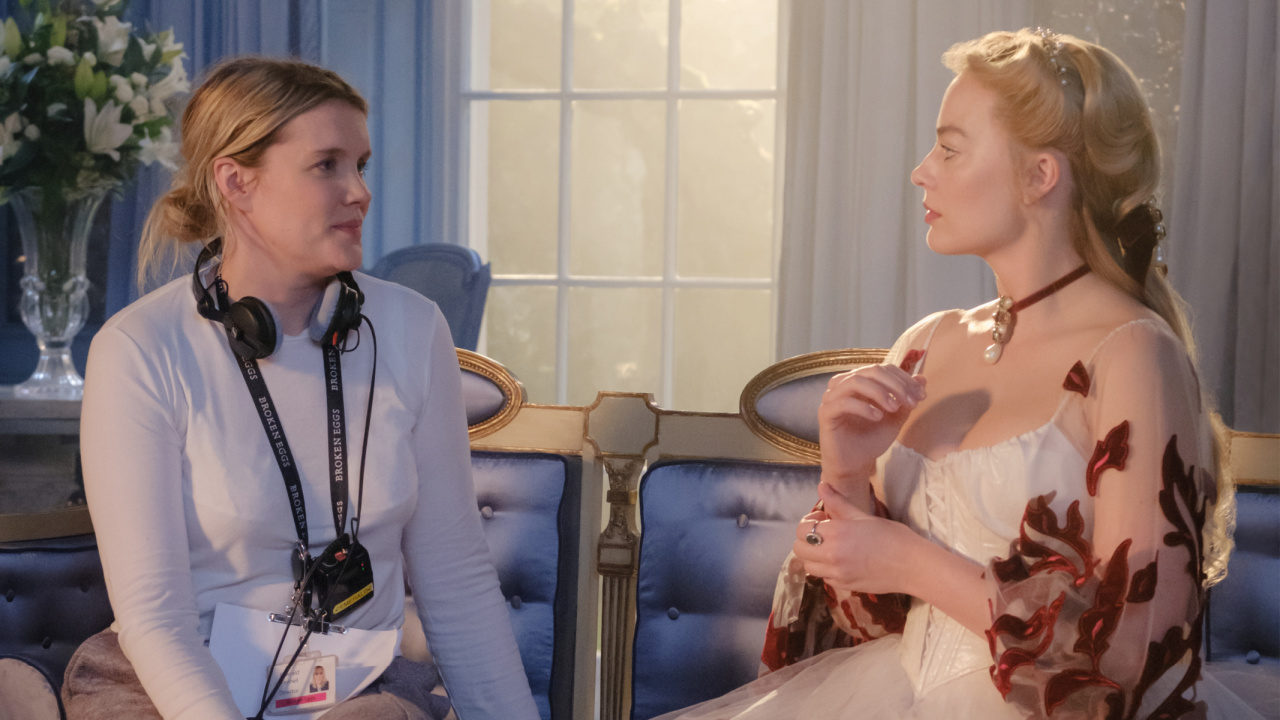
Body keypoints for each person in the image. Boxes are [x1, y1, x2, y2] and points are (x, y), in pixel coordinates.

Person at [656, 28, 1263, 720]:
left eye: (949, 148)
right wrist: (846, 474)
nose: (922, 171)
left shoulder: (1133, 354)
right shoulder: (924, 345)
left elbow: (1135, 650)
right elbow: (866, 623)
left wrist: (913, 562)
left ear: (1041, 176)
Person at [62, 57, 540, 720]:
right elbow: (155, 618)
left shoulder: (410, 328)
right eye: (327, 166)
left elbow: (457, 581)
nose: (360, 192)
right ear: (237, 183)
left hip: (357, 691)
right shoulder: (140, 349)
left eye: (361, 166)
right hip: (172, 692)